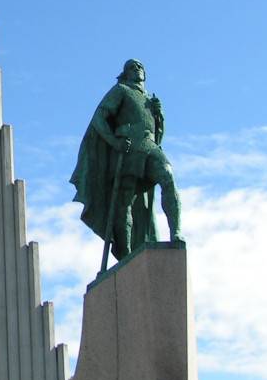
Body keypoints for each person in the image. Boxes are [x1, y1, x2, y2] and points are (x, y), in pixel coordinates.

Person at [71, 59, 183, 262]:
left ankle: (176, 232)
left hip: (149, 146)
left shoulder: (149, 100)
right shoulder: (121, 90)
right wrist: (114, 141)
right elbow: (99, 118)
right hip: (129, 149)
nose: (137, 69)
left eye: (140, 67)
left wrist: (160, 116)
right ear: (125, 74)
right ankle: (127, 253)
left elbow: (158, 137)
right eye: (132, 67)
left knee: (167, 175)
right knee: (125, 200)